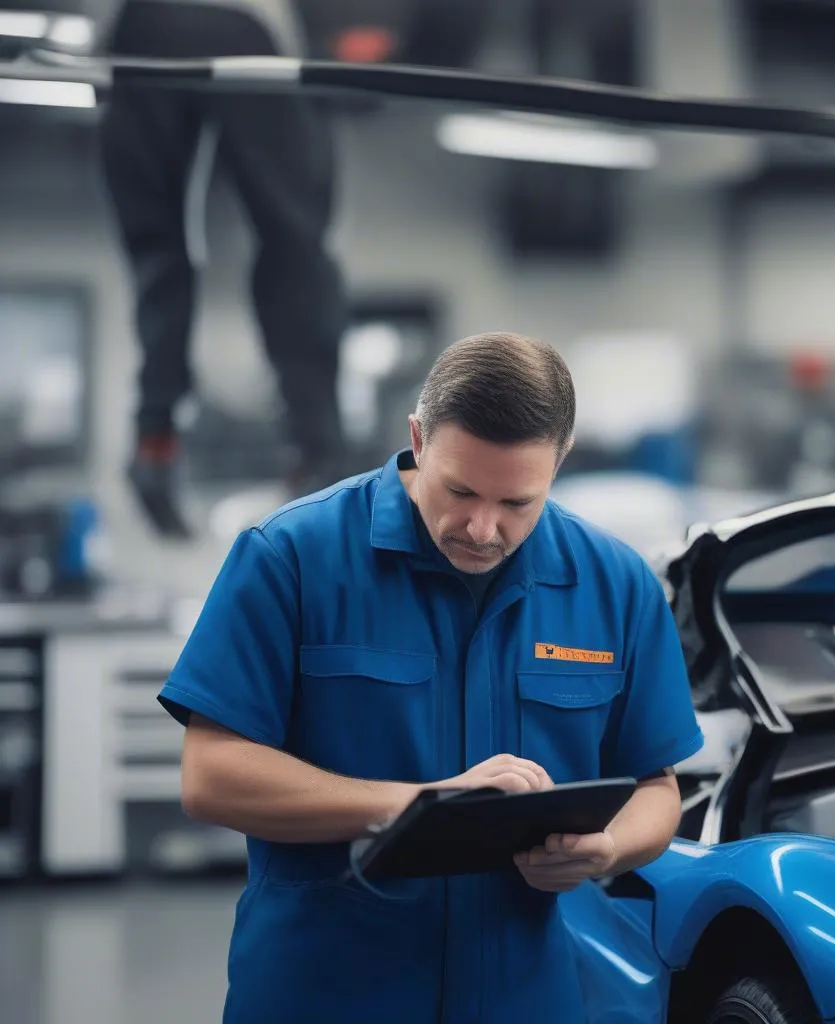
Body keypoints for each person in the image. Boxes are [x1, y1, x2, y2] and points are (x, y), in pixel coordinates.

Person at [157, 332, 705, 1023]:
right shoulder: (290, 558)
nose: (481, 528)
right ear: (419, 438)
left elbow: (656, 786)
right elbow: (211, 776)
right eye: (461, 490)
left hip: (528, 997)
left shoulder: (615, 586)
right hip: (324, 993)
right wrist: (423, 803)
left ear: (559, 463)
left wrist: (609, 848)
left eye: (517, 504)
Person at [95, 0, 351, 537]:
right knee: (294, 240)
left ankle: (154, 443)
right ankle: (319, 454)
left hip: (143, 26)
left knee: (157, 243)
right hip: (246, 24)